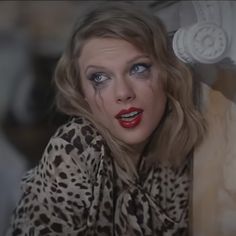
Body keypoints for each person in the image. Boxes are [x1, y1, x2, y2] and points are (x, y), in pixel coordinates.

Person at [7, 2, 206, 235]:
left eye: (138, 68)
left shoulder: (180, 144)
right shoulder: (76, 146)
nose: (123, 93)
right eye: (99, 77)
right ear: (81, 93)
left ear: (167, 74)